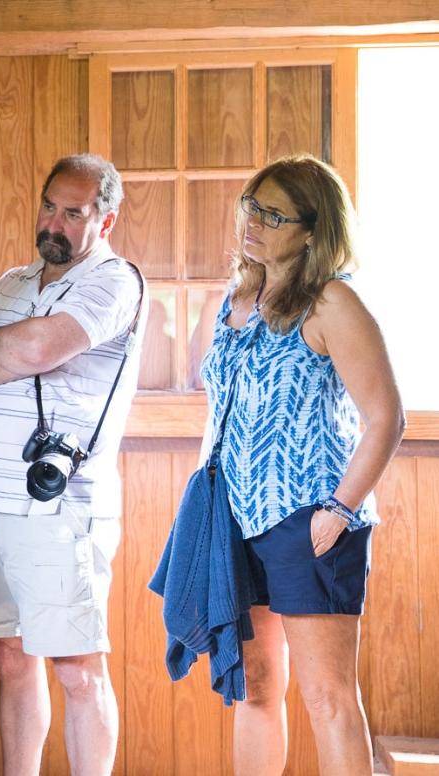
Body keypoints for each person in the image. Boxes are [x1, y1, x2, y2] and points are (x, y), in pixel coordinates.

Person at [0, 153, 145, 775]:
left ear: (103, 221)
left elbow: (36, 345)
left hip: (58, 506)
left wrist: (14, 346)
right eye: (49, 205)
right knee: (10, 654)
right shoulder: (10, 281)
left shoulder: (115, 281)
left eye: (73, 212)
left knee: (78, 668)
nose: (53, 222)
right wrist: (25, 351)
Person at [199, 155, 403, 776]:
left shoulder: (331, 302)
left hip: (309, 522)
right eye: (250, 206)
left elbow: (386, 418)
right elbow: (221, 417)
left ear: (314, 231)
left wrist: (339, 511)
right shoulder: (235, 299)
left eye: (274, 214)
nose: (253, 222)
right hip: (237, 521)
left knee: (328, 699)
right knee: (256, 690)